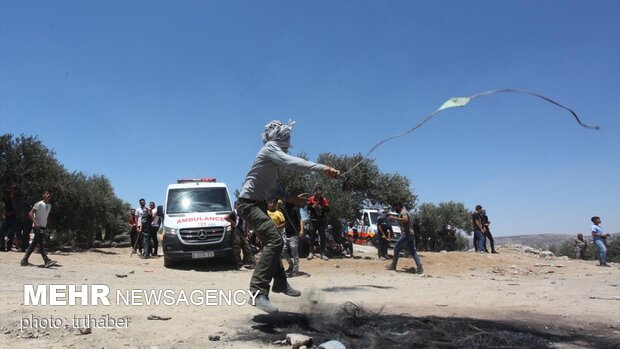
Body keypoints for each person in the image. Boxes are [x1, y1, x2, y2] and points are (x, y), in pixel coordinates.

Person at [236, 119, 340, 313]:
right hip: (247, 204)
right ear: (279, 136)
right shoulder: (270, 149)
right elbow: (292, 162)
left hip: (257, 204)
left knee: (273, 243)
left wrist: (290, 197)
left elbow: (273, 186)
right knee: (275, 241)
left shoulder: (274, 157)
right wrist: (322, 168)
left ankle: (280, 283)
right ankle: (257, 293)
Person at [20, 190, 56, 268]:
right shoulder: (39, 203)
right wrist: (35, 223)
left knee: (34, 244)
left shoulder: (49, 205)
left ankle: (24, 260)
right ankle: (46, 260)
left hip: (43, 226)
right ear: (43, 195)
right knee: (41, 243)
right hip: (37, 226)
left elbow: (46, 216)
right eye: (47, 193)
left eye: (50, 194)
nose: (49, 195)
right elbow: (30, 213)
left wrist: (49, 224)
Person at [386, 203, 424, 274]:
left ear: (398, 206)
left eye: (395, 208)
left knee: (396, 247)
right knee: (412, 251)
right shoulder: (404, 211)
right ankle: (419, 268)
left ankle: (393, 265)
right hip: (410, 234)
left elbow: (405, 219)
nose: (394, 209)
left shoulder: (403, 212)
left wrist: (393, 218)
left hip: (407, 234)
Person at [225, 202, 255, 270]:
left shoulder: (245, 213)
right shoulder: (234, 212)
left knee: (247, 247)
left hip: (243, 232)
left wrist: (246, 232)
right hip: (236, 232)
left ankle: (247, 262)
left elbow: (246, 224)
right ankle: (239, 265)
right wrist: (232, 222)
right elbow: (226, 217)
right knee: (237, 248)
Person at [307, 186, 330, 260]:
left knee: (322, 237)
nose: (319, 192)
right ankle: (311, 252)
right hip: (313, 220)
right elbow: (308, 207)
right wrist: (312, 206)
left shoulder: (324, 199)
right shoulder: (311, 199)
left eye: (320, 191)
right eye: (318, 191)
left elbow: (327, 209)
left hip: (321, 221)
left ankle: (322, 253)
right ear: (315, 192)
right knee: (312, 237)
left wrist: (321, 208)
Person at [283, 201, 304, 276]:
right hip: (286, 233)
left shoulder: (295, 209)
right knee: (283, 250)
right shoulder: (284, 210)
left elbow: (300, 220)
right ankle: (291, 265)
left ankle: (295, 269)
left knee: (294, 252)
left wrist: (302, 230)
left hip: (294, 234)